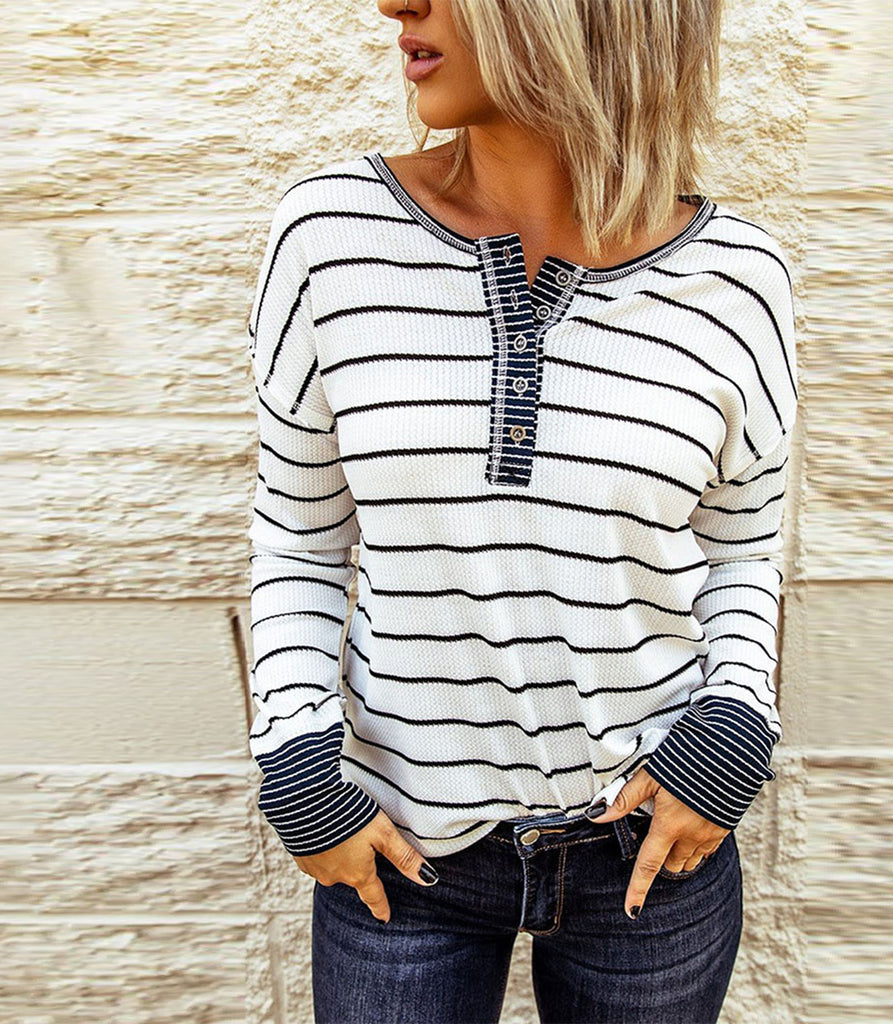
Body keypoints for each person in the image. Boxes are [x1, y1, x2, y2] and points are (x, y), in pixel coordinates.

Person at [244, 0, 799, 1020]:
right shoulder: (330, 236)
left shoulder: (738, 280)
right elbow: (300, 539)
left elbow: (742, 549)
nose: (396, 5)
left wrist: (732, 728)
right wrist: (296, 760)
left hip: (651, 845)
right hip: (400, 852)